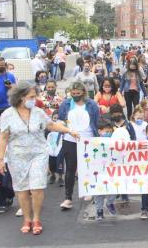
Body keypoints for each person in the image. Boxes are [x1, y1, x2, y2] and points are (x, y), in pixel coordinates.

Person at [0, 82, 78, 235]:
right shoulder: (8, 114)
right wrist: (1, 159)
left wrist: (69, 131)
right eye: (31, 97)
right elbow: (3, 138)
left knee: (37, 187)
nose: (34, 100)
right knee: (21, 188)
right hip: (17, 156)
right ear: (21, 97)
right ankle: (27, 219)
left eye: (35, 96)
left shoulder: (38, 112)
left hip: (38, 154)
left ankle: (36, 219)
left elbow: (52, 125)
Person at [58, 81, 100, 210]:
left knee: (88, 167)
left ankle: (88, 191)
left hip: (88, 139)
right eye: (73, 93)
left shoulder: (91, 104)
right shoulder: (65, 104)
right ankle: (68, 198)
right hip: (70, 139)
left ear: (83, 92)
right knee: (70, 168)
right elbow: (61, 119)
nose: (75, 95)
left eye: (78, 93)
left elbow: (96, 121)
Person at [94, 120, 118, 220]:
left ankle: (110, 203)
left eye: (110, 131)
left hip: (112, 171)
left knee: (114, 188)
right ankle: (99, 210)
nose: (109, 133)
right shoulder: (94, 143)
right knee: (99, 191)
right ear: (100, 131)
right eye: (106, 131)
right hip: (98, 172)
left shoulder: (114, 142)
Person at [0, 58, 16, 132]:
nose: (1, 66)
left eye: (2, 65)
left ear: (5, 65)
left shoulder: (11, 76)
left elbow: (16, 89)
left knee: (9, 128)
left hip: (7, 106)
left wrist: (11, 86)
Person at [46, 111, 64, 186]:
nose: (56, 120)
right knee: (51, 163)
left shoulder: (62, 131)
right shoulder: (48, 131)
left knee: (60, 163)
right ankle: (52, 175)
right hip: (51, 150)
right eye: (54, 118)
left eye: (57, 118)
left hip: (59, 150)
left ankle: (60, 177)